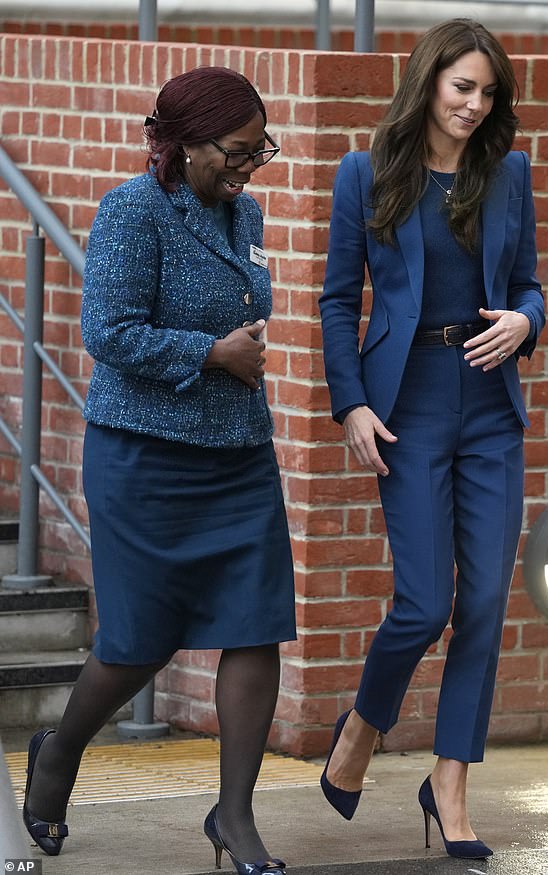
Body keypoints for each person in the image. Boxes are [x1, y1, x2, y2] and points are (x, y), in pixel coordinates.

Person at [22, 66, 294, 875]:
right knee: (139, 643)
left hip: (239, 456)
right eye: (238, 151)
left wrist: (238, 351)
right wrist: (212, 352)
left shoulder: (244, 211)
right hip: (144, 458)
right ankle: (59, 752)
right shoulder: (132, 211)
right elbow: (107, 331)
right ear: (183, 144)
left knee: (255, 625)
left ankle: (234, 816)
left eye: (260, 149)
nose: (250, 166)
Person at [318, 18, 545, 860]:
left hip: (489, 403)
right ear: (428, 83)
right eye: (462, 88)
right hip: (405, 401)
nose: (475, 106)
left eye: (488, 93)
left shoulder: (508, 172)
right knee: (423, 601)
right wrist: (350, 405)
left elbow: (529, 284)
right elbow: (341, 300)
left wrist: (526, 319)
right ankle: (362, 728)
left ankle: (449, 779)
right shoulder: (365, 172)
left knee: (483, 600)